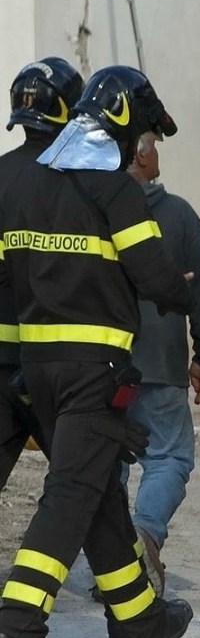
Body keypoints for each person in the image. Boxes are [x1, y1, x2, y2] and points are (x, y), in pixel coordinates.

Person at [0, 65, 195, 638]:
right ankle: (19, 625)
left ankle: (140, 622)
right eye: (141, 135)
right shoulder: (114, 190)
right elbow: (154, 275)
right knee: (72, 494)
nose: (142, 147)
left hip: (38, 365)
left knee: (97, 493)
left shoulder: (35, 185)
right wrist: (181, 291)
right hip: (95, 370)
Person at [119, 131, 200, 597]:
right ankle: (144, 535)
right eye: (154, 144)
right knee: (168, 456)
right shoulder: (178, 215)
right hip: (159, 366)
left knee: (105, 462)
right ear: (141, 153)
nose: (158, 152)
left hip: (96, 366)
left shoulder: (84, 210)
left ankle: (115, 555)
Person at [0, 58, 84, 493]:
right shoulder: (81, 183)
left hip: (2, 358)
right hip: (60, 364)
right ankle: (124, 560)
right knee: (87, 487)